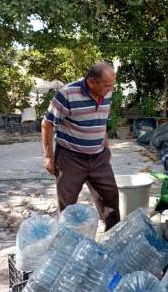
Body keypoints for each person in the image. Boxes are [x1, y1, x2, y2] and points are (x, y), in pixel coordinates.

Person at [41, 62, 120, 230]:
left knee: (110, 199)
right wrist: (48, 156)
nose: (111, 89)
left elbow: (102, 120)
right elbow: (47, 124)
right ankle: (65, 244)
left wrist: (106, 148)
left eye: (112, 85)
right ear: (92, 82)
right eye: (107, 85)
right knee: (67, 206)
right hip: (70, 158)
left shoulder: (106, 92)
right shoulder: (67, 95)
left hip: (99, 157)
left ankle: (113, 239)